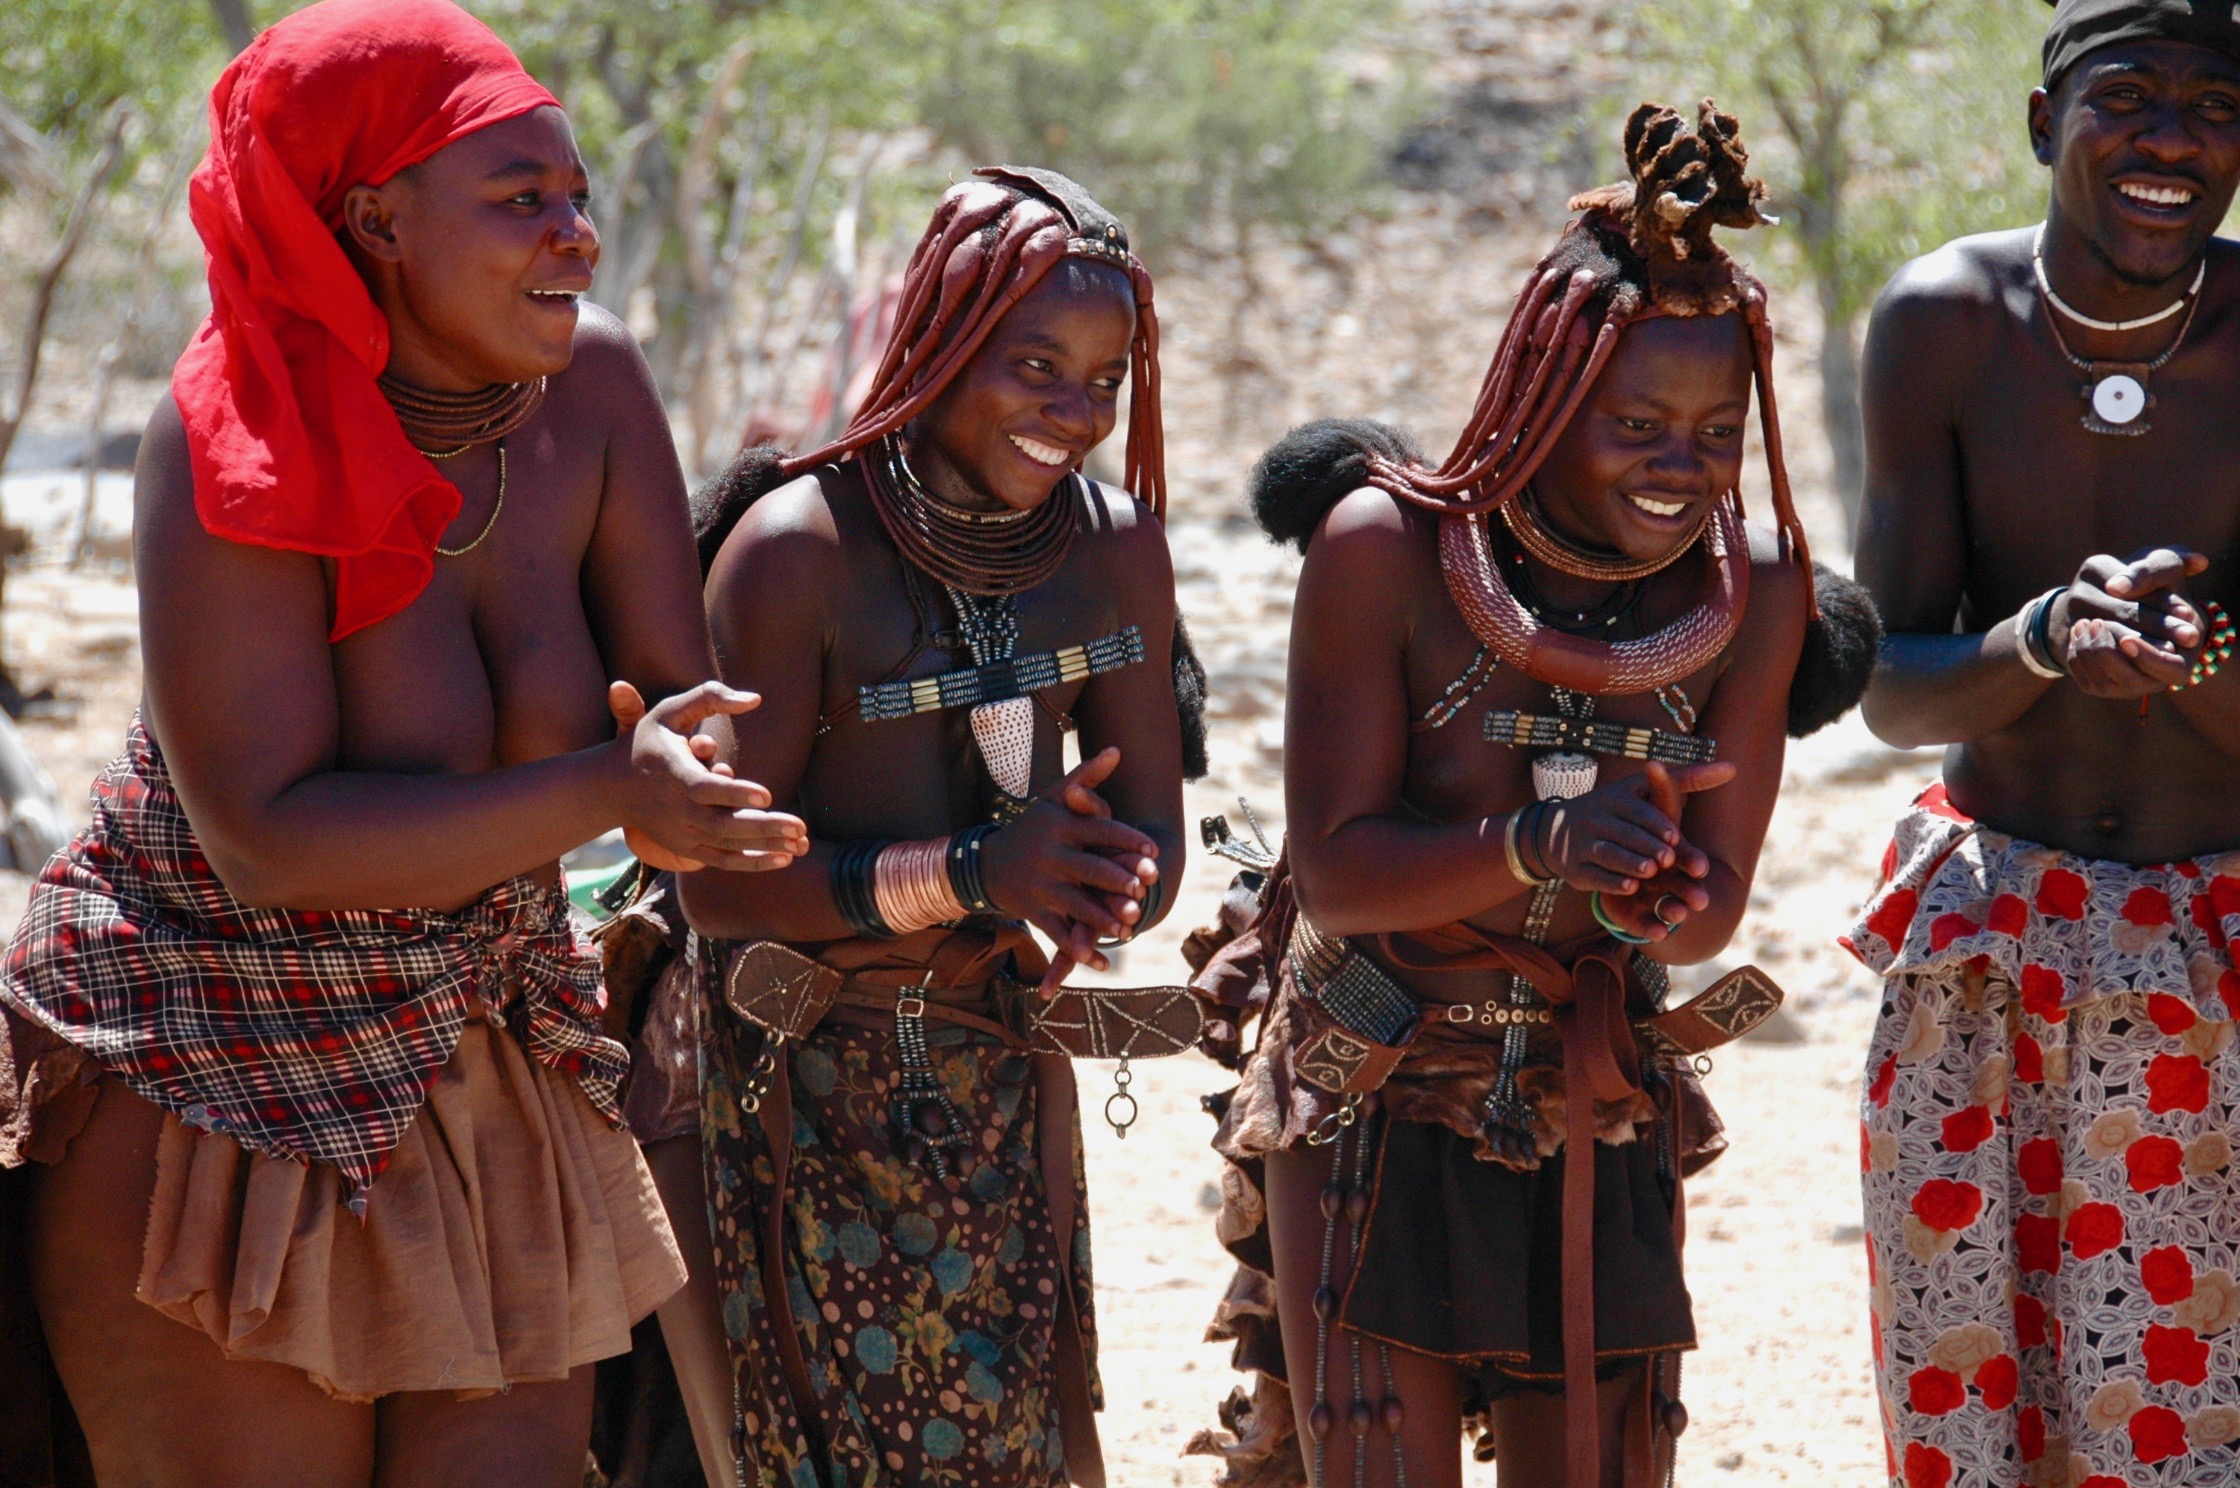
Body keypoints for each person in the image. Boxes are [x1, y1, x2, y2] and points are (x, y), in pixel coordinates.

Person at [0, 2, 807, 1484]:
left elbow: (672, 709)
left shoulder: (595, 392)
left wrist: (704, 784)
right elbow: (267, 841)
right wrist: (608, 789)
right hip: (214, 1061)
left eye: (578, 196)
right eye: (522, 199)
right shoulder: (234, 432)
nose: (576, 236)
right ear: (375, 220)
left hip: (489, 1046)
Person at [1184, 102, 1879, 1488]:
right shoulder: (1387, 549)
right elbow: (1340, 873)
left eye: (1719, 430)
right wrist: (1544, 839)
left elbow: (1705, 925)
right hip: (1372, 1075)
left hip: (1595, 1084)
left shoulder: (1757, 593)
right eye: (1638, 424)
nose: (1683, 466)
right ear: (1544, 403)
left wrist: (1660, 892)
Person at [647, 167, 1195, 1488]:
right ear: (942, 340)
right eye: (1036, 367)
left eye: (1105, 380)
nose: (1076, 413)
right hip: (790, 1082)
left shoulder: (1115, 550)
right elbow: (720, 888)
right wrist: (972, 873)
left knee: (1022, 1441)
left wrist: (1099, 884)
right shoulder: (798, 551)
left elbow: (1158, 838)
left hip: (993, 1069)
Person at [1849, 3, 2240, 1485]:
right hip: (1989, 941)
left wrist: (2192, 665)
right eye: (2126, 97)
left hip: (2218, 947)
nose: (2170, 141)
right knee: (1970, 1413)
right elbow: (1890, 688)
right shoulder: (1943, 326)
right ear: (2040, 124)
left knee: (2192, 1425)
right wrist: (2039, 642)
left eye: (2214, 109)